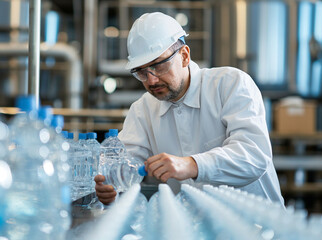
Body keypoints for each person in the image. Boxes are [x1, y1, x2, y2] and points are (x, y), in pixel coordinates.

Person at [94, 12, 284, 206]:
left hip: (256, 226)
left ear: (184, 56)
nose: (151, 80)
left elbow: (253, 156)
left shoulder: (230, 84)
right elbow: (125, 164)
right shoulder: (143, 110)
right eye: (141, 72)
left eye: (159, 66)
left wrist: (191, 164)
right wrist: (112, 185)